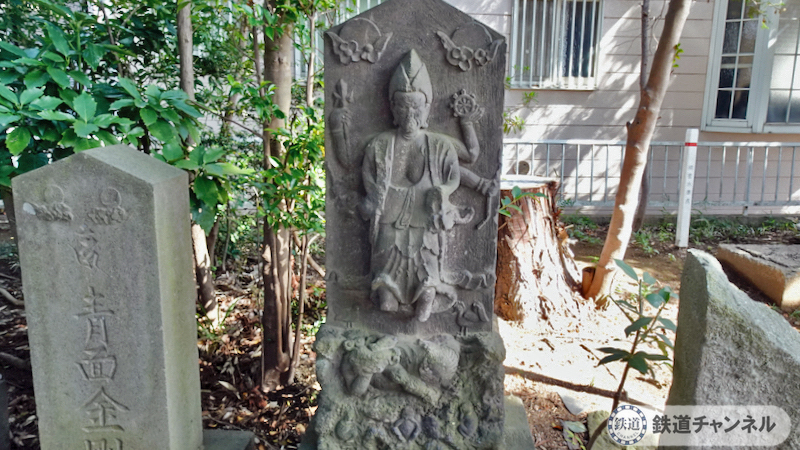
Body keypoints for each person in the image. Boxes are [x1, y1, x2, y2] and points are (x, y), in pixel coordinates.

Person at [361, 50, 468, 322]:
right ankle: (387, 290)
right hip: (390, 214)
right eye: (403, 107)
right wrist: (375, 196)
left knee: (426, 255)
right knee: (386, 253)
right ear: (392, 108)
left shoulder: (440, 145)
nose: (410, 114)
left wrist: (443, 191)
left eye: (416, 108)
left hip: (425, 214)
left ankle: (427, 291)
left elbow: (453, 177)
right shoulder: (380, 144)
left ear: (426, 109)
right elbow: (369, 176)